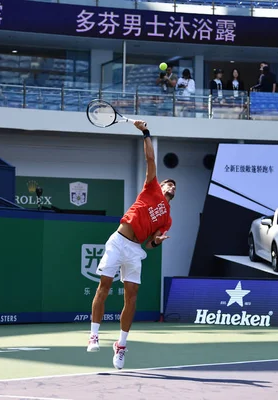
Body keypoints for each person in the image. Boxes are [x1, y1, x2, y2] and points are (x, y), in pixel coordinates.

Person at [87, 120, 176, 370]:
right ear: (160, 186)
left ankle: (121, 345)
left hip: (135, 250)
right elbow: (150, 159)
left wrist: (157, 241)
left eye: (174, 186)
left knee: (132, 297)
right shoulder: (151, 188)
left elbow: (150, 244)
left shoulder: (167, 219)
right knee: (104, 286)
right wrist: (146, 133)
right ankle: (94, 334)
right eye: (169, 183)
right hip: (118, 242)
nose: (172, 186)